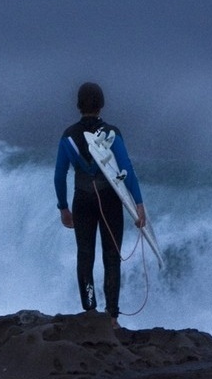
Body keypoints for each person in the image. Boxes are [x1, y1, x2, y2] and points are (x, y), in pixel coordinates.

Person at [54, 81, 146, 319]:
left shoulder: (68, 136)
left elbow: (59, 175)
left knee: (85, 254)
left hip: (82, 200)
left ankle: (90, 311)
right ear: (102, 105)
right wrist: (138, 204)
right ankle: (112, 316)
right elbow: (126, 169)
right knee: (111, 256)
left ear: (78, 105)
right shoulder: (111, 134)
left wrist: (63, 207)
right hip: (109, 200)